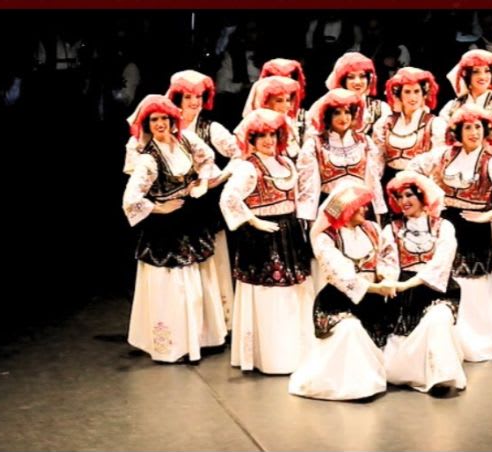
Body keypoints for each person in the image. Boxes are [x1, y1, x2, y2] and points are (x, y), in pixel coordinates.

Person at [409, 104, 492, 361]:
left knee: (473, 288)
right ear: (458, 132)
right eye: (468, 128)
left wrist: (488, 215)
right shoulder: (444, 155)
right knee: (443, 282)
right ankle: (445, 343)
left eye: (478, 128)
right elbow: (413, 169)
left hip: (474, 230)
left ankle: (474, 343)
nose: (474, 133)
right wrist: (431, 200)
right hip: (445, 226)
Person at [122, 94, 230, 363]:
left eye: (164, 118)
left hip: (190, 221)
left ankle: (201, 339)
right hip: (165, 230)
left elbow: (208, 158)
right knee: (174, 287)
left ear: (173, 120)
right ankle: (174, 345)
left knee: (197, 283)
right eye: (154, 120)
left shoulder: (186, 140)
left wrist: (200, 183)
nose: (160, 124)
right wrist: (160, 207)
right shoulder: (148, 159)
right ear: (147, 124)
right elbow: (131, 199)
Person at [220, 108, 314, 373]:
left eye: (272, 135)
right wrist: (253, 221)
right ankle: (271, 358)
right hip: (263, 238)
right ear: (252, 138)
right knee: (268, 293)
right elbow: (228, 198)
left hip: (290, 233)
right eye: (262, 136)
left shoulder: (286, 164)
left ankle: (297, 354)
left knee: (293, 291)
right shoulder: (248, 167)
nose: (268, 140)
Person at [289, 182, 393, 400]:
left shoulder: (372, 229)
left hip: (371, 302)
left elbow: (386, 257)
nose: (365, 208)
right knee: (350, 330)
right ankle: (355, 386)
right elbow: (340, 274)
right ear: (346, 208)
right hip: (338, 301)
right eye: (359, 205)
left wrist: (386, 275)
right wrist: (376, 288)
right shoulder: (326, 238)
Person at [379, 171, 467, 395]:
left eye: (409, 195)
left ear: (422, 196)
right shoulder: (391, 229)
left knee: (438, 319)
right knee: (396, 360)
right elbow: (387, 263)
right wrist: (389, 280)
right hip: (405, 296)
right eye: (399, 197)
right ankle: (416, 374)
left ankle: (441, 375)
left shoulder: (444, 227)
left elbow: (441, 263)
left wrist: (410, 283)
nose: (404, 201)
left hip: (436, 290)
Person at [164, 69, 239, 328]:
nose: (195, 101)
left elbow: (240, 153)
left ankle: (216, 324)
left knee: (211, 263)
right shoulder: (167, 127)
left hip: (204, 207)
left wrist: (218, 179)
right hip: (176, 207)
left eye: (199, 96)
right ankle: (185, 325)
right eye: (188, 96)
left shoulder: (211, 128)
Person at [296, 88, 386, 225]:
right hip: (332, 206)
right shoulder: (315, 145)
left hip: (361, 207)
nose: (343, 118)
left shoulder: (364, 142)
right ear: (327, 116)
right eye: (337, 113)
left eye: (347, 112)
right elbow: (309, 187)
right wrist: (310, 220)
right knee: (337, 237)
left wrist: (378, 213)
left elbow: (373, 182)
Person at [373, 67, 446, 190]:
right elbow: (377, 160)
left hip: (420, 185)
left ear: (424, 94)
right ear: (399, 95)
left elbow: (437, 163)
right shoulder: (385, 124)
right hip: (389, 182)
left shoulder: (435, 124)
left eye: (417, 91)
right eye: (407, 92)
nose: (412, 97)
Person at [324, 51, 392, 137]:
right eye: (351, 77)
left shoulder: (380, 109)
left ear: (369, 79)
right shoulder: (328, 108)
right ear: (343, 81)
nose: (357, 82)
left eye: (362, 76)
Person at [241, 75, 304, 160]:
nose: (286, 105)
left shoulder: (289, 123)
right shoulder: (252, 125)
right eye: (279, 101)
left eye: (288, 100)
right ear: (265, 103)